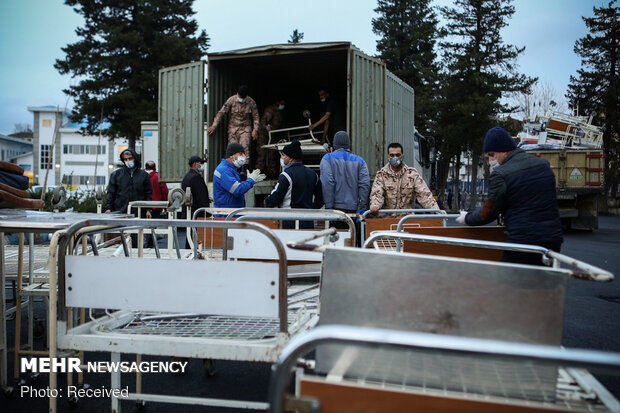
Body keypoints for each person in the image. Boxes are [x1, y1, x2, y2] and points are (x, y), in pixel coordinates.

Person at [456, 126, 563, 265]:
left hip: (523, 241)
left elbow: (488, 212)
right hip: (553, 239)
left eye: (492, 154)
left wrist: (467, 218)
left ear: (504, 151)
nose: (490, 160)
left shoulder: (501, 174)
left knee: (509, 282)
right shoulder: (543, 165)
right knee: (545, 283)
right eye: (488, 156)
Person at [264, 140, 323, 229]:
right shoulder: (313, 174)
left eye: (283, 155)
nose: (282, 158)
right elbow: (321, 198)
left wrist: (266, 202)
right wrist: (311, 209)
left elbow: (276, 197)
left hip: (290, 221)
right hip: (308, 221)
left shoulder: (286, 175)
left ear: (291, 158)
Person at [369, 142, 438, 216]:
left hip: (407, 219)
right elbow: (376, 194)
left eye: (398, 155)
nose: (395, 157)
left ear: (402, 156)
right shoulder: (381, 175)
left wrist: (437, 212)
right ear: (388, 157)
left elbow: (425, 195)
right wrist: (375, 206)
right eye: (392, 155)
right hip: (387, 220)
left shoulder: (412, 174)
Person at [207, 85, 260, 166]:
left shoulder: (251, 102)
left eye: (243, 97)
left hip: (245, 128)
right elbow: (221, 113)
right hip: (233, 128)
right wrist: (214, 125)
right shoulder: (231, 100)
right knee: (232, 149)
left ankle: (244, 170)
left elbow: (256, 117)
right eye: (240, 96)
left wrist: (255, 130)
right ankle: (231, 168)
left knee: (244, 147)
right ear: (237, 93)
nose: (241, 99)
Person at [320, 131, 370, 214]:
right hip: (354, 209)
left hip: (335, 209)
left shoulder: (327, 159)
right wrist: (362, 207)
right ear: (349, 144)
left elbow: (327, 183)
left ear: (334, 144)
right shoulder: (360, 161)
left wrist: (329, 207)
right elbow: (364, 185)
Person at [213, 142, 265, 208]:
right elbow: (237, 190)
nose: (244, 156)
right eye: (241, 154)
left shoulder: (230, 169)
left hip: (232, 213)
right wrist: (250, 180)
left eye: (244, 154)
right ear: (231, 155)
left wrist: (251, 181)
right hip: (226, 214)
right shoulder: (224, 170)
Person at [105, 148, 152, 218]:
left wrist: (148, 209)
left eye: (130, 158)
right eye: (126, 159)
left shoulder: (144, 175)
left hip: (139, 212)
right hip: (120, 211)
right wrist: (108, 208)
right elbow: (111, 192)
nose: (128, 161)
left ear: (135, 158)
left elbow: (148, 193)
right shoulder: (116, 174)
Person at [256, 98, 286, 174]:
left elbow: (280, 124)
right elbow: (263, 121)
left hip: (272, 135)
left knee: (271, 154)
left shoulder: (280, 112)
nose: (283, 105)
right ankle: (259, 172)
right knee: (262, 154)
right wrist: (266, 127)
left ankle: (272, 172)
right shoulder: (270, 110)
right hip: (263, 135)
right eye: (282, 103)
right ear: (278, 102)